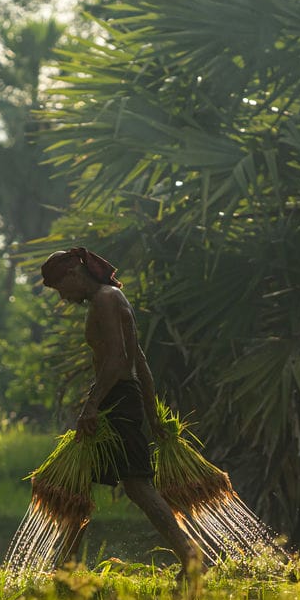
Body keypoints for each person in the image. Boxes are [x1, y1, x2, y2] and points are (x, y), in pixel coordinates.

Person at [38, 247, 200, 582]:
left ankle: (190, 558)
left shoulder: (105, 299)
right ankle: (66, 570)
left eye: (61, 289)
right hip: (122, 397)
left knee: (137, 486)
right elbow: (139, 360)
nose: (64, 297)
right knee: (78, 481)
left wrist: (92, 405)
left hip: (117, 399)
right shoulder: (112, 298)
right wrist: (152, 414)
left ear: (72, 274)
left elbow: (117, 360)